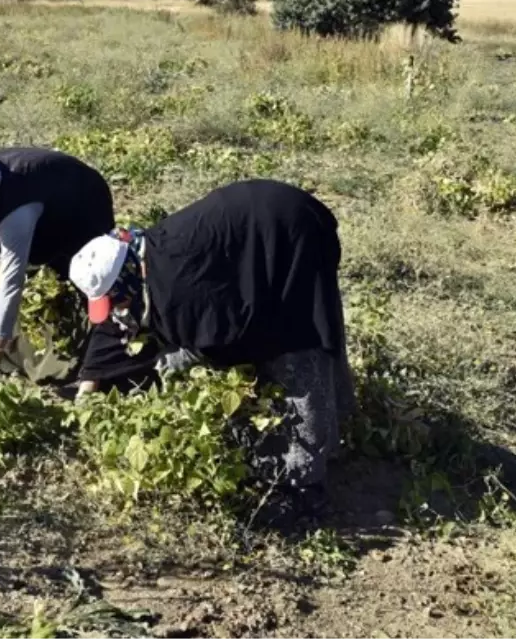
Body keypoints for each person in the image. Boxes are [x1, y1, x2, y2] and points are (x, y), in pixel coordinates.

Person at [68, 179, 356, 524]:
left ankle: (304, 485)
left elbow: (224, 339)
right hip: (263, 219)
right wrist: (87, 392)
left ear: (126, 279)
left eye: (116, 299)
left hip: (292, 231)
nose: (117, 309)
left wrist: (205, 379)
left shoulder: (177, 287)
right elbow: (113, 327)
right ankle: (328, 427)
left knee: (295, 339)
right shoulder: (136, 255)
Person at [0, 147, 156, 382]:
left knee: (91, 276)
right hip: (45, 199)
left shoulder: (16, 210)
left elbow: (12, 281)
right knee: (1, 274)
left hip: (82, 200)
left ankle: (108, 353)